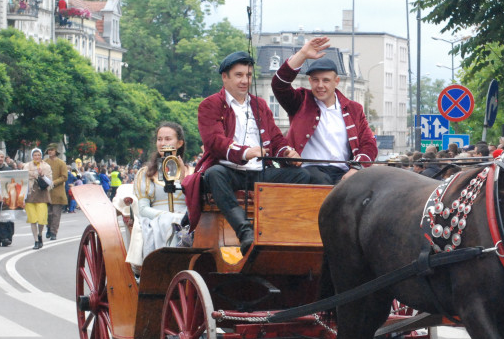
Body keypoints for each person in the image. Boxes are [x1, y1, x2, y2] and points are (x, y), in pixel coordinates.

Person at [183, 50, 311, 254]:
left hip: (259, 171)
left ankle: (279, 229)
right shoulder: (210, 105)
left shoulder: (259, 104)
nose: (245, 80)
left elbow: (276, 139)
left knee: (302, 175)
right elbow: (214, 142)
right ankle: (245, 233)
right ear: (225, 77)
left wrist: (287, 153)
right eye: (239, 75)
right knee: (214, 175)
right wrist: (245, 152)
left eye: (248, 75)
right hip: (229, 171)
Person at [271, 37, 377, 185]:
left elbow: (369, 144)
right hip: (310, 171)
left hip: (343, 171)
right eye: (315, 80)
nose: (320, 85)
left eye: (326, 80)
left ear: (336, 82)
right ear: (310, 81)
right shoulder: (301, 101)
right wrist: (302, 54)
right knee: (320, 180)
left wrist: (356, 168)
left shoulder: (354, 109)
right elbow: (278, 85)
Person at [131, 122, 193, 264]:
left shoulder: (191, 172)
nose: (163, 143)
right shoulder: (145, 173)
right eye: (160, 139)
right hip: (157, 221)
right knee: (171, 223)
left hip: (187, 219)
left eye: (168, 139)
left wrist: (185, 180)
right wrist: (170, 217)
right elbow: (142, 209)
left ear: (179, 143)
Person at [24, 148, 52, 249]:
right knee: (32, 219)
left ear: (41, 156)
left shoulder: (46, 166)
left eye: (38, 155)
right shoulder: (26, 167)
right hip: (30, 195)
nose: (37, 157)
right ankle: (36, 240)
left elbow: (50, 182)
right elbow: (23, 181)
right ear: (32, 156)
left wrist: (42, 175)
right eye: (35, 155)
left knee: (41, 219)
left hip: (42, 194)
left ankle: (40, 234)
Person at [44, 144, 68, 240]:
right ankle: (49, 228)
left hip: (57, 192)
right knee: (48, 213)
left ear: (56, 151)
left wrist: (53, 182)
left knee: (56, 214)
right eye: (49, 150)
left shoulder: (61, 163)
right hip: (46, 192)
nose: (50, 152)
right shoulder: (44, 162)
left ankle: (54, 232)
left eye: (52, 150)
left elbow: (64, 177)